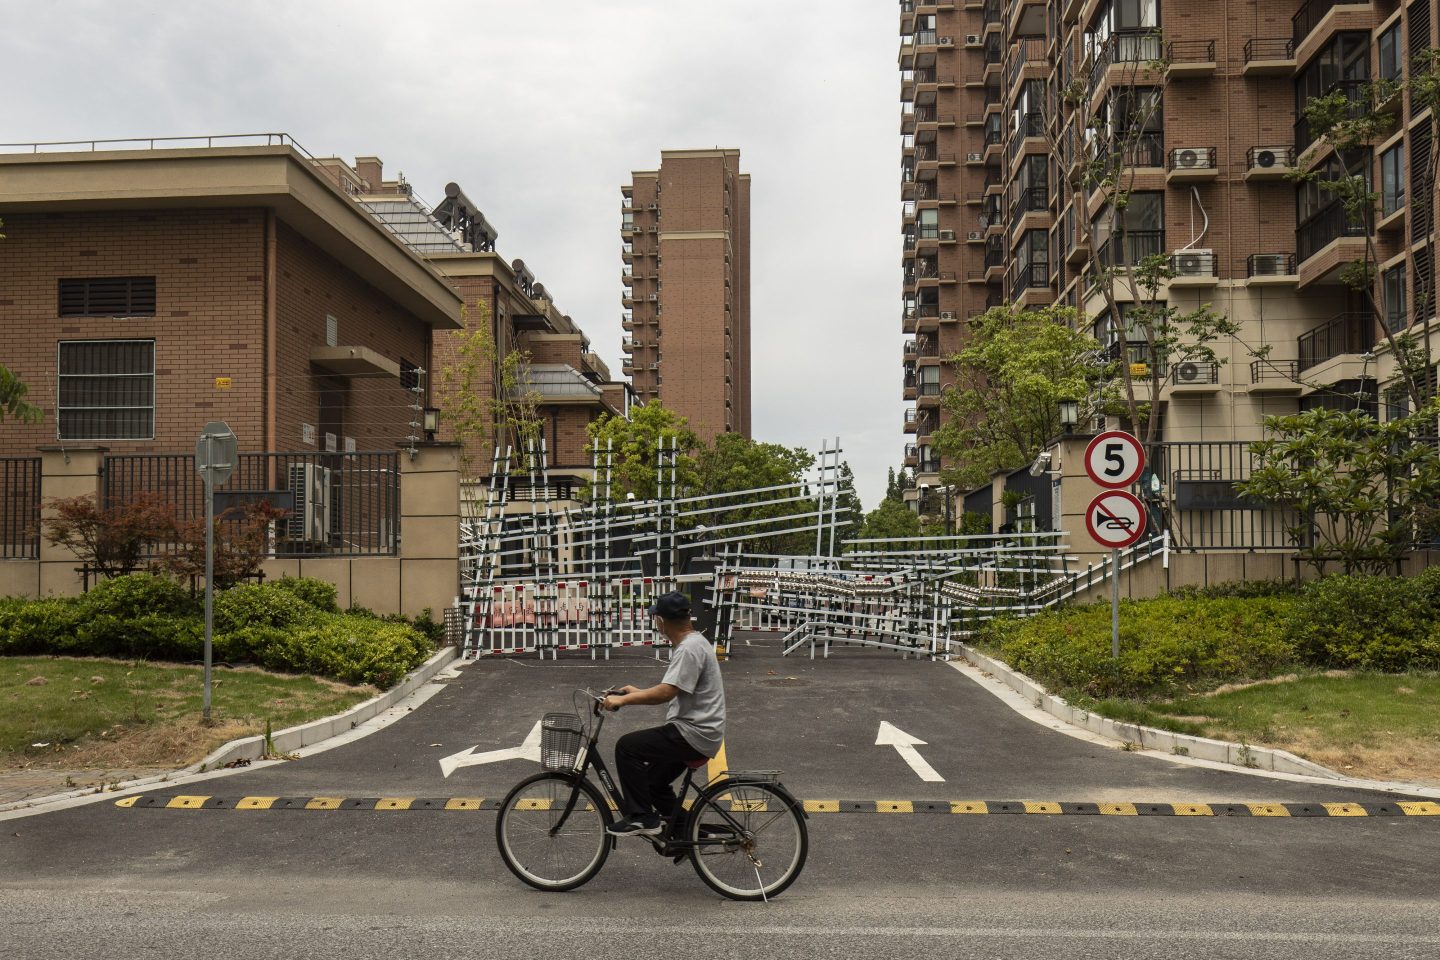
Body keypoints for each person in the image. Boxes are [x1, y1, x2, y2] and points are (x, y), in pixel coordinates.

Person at [601, 590, 725, 837]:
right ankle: (689, 834)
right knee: (652, 784)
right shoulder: (695, 642)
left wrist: (624, 700)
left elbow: (665, 693)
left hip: (693, 733)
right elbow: (671, 688)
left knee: (627, 747)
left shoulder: (688, 649)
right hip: (699, 731)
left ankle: (642, 817)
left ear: (661, 620)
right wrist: (635, 692)